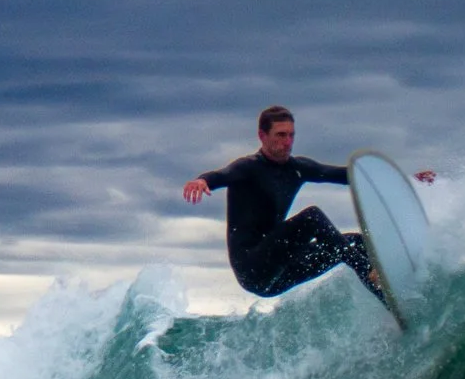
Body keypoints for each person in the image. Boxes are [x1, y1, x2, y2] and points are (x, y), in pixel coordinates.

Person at [182, 106, 435, 305]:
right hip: (254, 269)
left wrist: (405, 177)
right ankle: (368, 273)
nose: (288, 142)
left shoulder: (299, 168)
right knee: (312, 217)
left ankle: (393, 301)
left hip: (282, 271)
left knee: (357, 242)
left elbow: (347, 175)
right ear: (262, 136)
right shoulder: (247, 168)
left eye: (291, 135)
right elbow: (222, 174)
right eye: (281, 135)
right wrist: (203, 180)